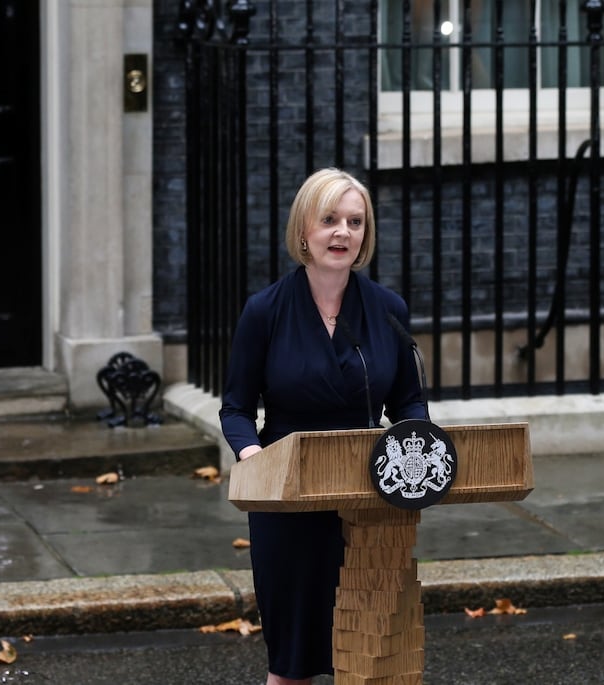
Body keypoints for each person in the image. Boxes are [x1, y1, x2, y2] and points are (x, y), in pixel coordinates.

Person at [220, 168, 429, 684]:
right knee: (293, 662)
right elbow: (237, 408)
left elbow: (409, 405)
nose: (343, 233)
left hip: (368, 499)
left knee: (368, 656)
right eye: (330, 220)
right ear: (304, 232)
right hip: (288, 498)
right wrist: (255, 459)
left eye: (355, 222)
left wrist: (420, 455)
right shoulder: (264, 311)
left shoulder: (387, 311)